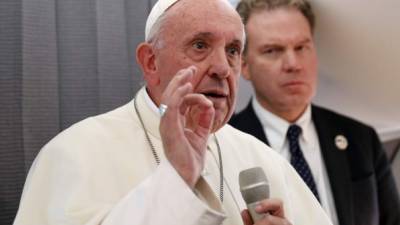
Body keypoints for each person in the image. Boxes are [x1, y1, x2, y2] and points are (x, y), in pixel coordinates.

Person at [13, 0, 333, 224]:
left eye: (233, 50)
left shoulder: (262, 160)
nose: (222, 67)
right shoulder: (75, 153)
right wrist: (176, 178)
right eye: (199, 46)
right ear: (151, 63)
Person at [229, 0, 400, 225]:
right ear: (244, 66)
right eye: (272, 50)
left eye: (301, 47)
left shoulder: (361, 139)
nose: (293, 63)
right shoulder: (225, 145)